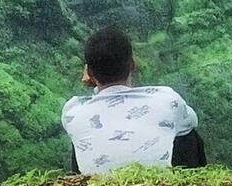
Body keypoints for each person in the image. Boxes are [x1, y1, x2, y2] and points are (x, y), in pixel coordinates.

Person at [60, 26, 204, 175]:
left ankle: (86, 179)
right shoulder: (166, 98)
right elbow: (192, 121)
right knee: (189, 134)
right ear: (132, 64)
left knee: (80, 134)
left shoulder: (73, 110)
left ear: (89, 72)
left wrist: (96, 86)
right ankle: (193, 182)